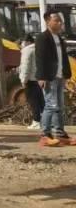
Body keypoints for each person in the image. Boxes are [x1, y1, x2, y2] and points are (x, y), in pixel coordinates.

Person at [35, 12, 72, 146]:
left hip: (59, 77)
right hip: (48, 78)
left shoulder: (59, 39)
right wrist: (41, 76)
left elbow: (63, 58)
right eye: (56, 20)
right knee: (51, 106)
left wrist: (66, 75)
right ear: (47, 21)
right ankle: (44, 135)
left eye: (60, 20)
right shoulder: (42, 38)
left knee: (60, 107)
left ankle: (60, 134)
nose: (60, 23)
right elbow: (39, 59)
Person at [19, 33, 42, 129]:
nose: (21, 45)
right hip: (40, 79)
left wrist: (23, 80)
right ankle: (43, 121)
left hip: (30, 80)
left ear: (27, 42)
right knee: (41, 102)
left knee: (33, 102)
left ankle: (36, 121)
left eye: (22, 43)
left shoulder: (27, 50)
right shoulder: (38, 48)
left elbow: (25, 66)